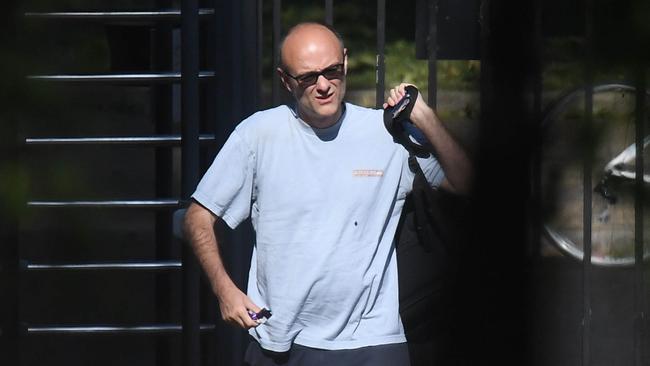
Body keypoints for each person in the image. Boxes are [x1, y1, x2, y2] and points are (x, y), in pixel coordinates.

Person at [183, 22, 472, 366]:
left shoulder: (385, 134)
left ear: (345, 63)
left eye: (332, 71)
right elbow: (197, 216)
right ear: (285, 80)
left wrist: (423, 116)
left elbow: (467, 183)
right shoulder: (258, 135)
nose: (323, 86)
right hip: (282, 341)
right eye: (307, 77)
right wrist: (224, 291)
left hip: (373, 341)